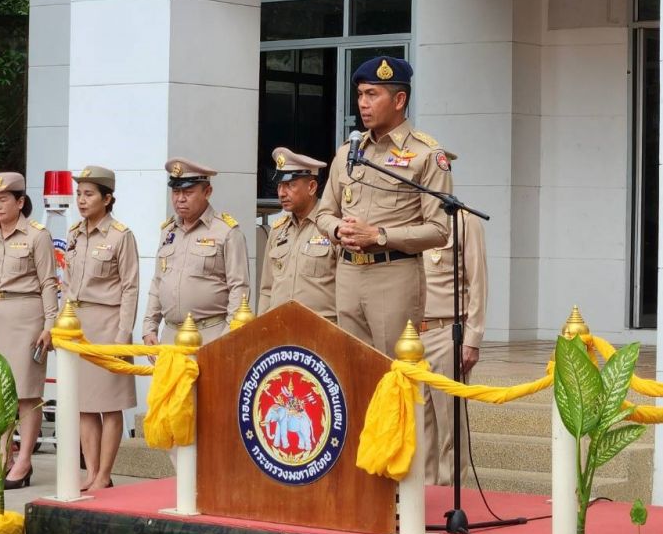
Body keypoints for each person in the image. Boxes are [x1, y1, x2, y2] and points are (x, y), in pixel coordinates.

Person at [316, 56, 452, 358]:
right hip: (349, 274)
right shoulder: (348, 152)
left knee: (394, 372)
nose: (362, 103)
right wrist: (338, 229)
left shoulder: (426, 154)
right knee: (352, 371)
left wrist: (378, 235)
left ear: (399, 99)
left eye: (372, 94)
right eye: (360, 94)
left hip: (394, 274)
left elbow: (440, 230)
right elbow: (324, 213)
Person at [0, 172, 58, 490]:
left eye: (3, 199)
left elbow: (49, 282)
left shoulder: (37, 235)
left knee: (26, 393)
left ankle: (23, 463)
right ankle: (4, 459)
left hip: (26, 316)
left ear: (20, 202)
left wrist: (50, 324)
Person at [64, 165, 139, 491]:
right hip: (80, 325)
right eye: (79, 193)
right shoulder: (74, 234)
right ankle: (91, 471)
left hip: (109, 324)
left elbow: (130, 287)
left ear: (108, 199)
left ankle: (105, 473)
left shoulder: (120, 236)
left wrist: (123, 335)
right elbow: (66, 284)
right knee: (84, 405)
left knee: (108, 404)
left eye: (89, 194)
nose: (81, 200)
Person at [143, 158, 250, 348]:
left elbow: (239, 288)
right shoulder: (168, 231)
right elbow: (158, 282)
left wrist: (228, 337)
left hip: (210, 337)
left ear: (207, 192)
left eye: (188, 192)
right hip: (170, 337)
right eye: (176, 192)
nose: (180, 198)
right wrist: (149, 327)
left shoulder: (226, 232)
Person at [422, 199, 488, 486]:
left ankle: (451, 495)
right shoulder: (405, 218)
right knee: (417, 425)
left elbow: (478, 282)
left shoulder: (462, 220)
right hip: (410, 335)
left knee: (450, 426)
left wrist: (472, 338)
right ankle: (421, 499)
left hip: (446, 331)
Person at [258, 147, 337, 322]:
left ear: (311, 187)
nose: (281, 193)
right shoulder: (278, 230)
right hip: (280, 329)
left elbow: (348, 290)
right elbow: (266, 289)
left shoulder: (332, 226)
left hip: (322, 331)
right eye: (279, 185)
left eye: (290, 185)